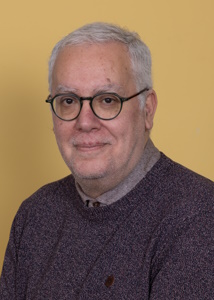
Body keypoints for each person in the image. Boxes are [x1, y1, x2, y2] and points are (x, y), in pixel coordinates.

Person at [0, 22, 213, 300]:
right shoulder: (34, 215)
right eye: (67, 101)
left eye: (108, 100)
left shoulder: (198, 217)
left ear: (146, 110)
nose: (84, 122)